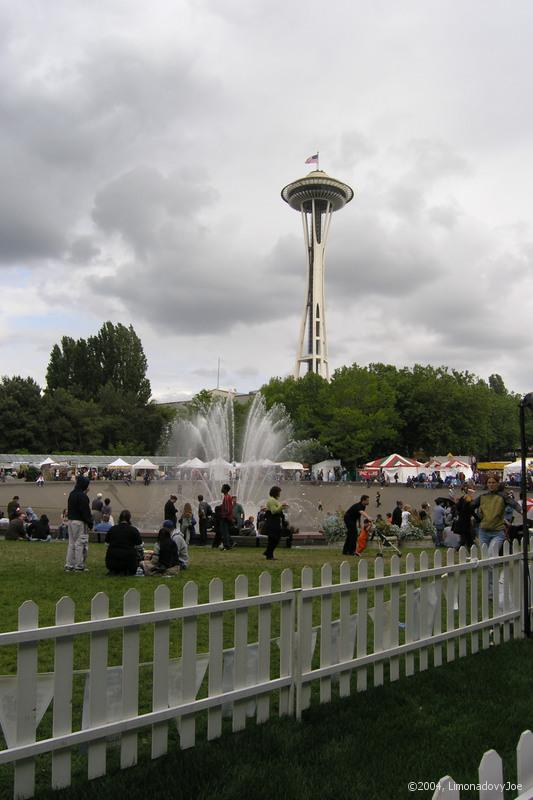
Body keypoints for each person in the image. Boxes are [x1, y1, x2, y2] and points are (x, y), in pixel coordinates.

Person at [64, 475, 93, 572]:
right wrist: (90, 523)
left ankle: (69, 564)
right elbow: (85, 511)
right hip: (80, 522)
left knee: (71, 543)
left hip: (71, 520)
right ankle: (79, 565)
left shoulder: (72, 494)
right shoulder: (83, 496)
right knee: (80, 543)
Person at [105, 510, 143, 576]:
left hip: (112, 562)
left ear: (119, 518)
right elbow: (139, 546)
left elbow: (107, 544)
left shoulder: (112, 529)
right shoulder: (133, 530)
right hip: (129, 563)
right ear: (129, 518)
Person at [263, 485, 287, 560]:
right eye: (279, 492)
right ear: (275, 492)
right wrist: (281, 506)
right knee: (274, 538)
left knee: (274, 538)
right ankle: (269, 554)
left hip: (275, 521)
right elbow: (273, 511)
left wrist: (283, 507)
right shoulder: (271, 500)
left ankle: (268, 553)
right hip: (272, 522)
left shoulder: (274, 500)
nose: (280, 494)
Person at [219, 484, 234, 550]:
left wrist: (224, 515)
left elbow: (228, 509)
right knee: (225, 531)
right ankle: (228, 544)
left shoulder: (227, 497)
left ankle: (227, 546)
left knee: (224, 531)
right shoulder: (227, 496)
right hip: (226, 517)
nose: (221, 489)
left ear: (225, 489)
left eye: (222, 488)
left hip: (225, 517)